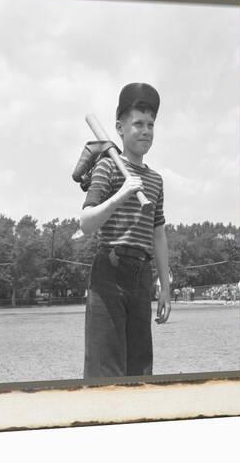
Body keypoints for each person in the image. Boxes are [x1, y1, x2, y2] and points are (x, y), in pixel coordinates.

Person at [80, 82, 171, 378]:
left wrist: (166, 285)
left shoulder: (155, 180)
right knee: (105, 372)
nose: (145, 130)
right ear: (119, 128)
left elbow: (158, 234)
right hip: (109, 272)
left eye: (150, 125)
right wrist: (121, 194)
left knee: (140, 370)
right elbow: (86, 222)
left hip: (142, 277)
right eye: (138, 124)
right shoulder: (107, 167)